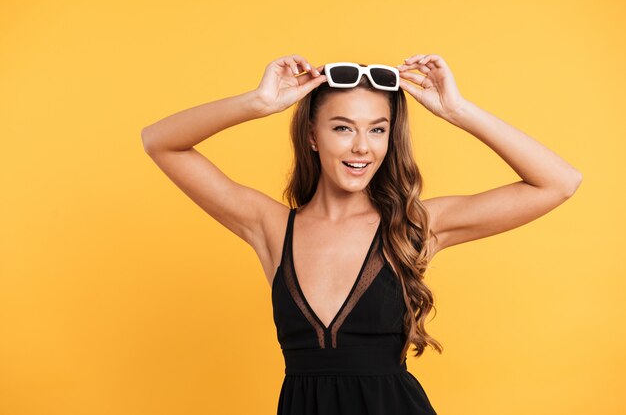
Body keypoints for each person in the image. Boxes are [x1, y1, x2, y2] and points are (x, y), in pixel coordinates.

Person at [141, 54, 582, 414]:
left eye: (377, 129)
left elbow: (558, 182)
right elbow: (160, 141)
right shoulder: (271, 226)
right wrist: (258, 104)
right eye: (342, 128)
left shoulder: (412, 227)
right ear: (313, 135)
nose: (362, 147)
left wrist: (458, 111)